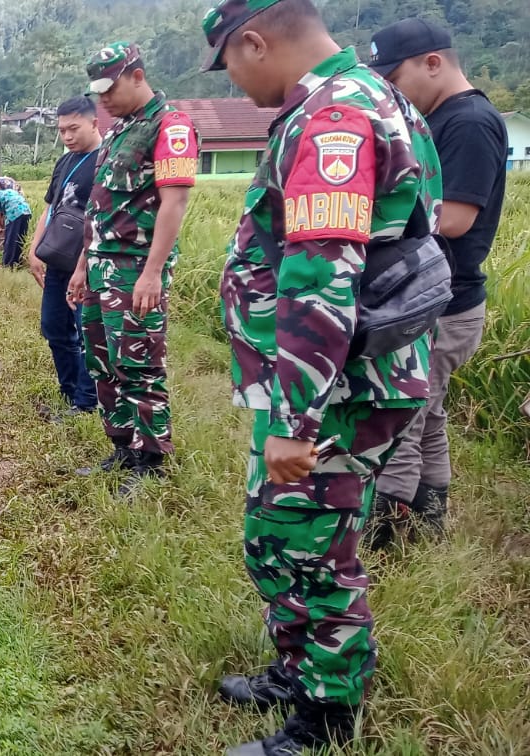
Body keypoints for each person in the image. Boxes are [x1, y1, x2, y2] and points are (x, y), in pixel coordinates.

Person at [202, 1, 442, 753]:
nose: (234, 85)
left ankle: (327, 716)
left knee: (311, 546)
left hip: (334, 388)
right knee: (276, 536)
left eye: (230, 66)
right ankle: (298, 669)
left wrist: (293, 420)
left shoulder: (336, 115)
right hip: (333, 379)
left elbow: (320, 280)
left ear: (253, 41)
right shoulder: (371, 97)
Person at [366, 18, 508, 547]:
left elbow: (455, 218)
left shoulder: (468, 121)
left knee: (400, 415)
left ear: (433, 63)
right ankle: (428, 526)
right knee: (428, 416)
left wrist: (375, 220)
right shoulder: (441, 118)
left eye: (394, 78)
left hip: (442, 304)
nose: (391, 92)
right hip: (441, 299)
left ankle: (386, 540)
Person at [67, 42, 199, 490]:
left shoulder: (171, 126)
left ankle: (152, 462)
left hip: (135, 268)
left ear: (138, 76)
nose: (102, 99)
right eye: (97, 91)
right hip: (101, 266)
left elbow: (174, 203)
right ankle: (123, 447)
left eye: (111, 87)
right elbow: (98, 210)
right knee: (102, 362)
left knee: (139, 364)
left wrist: (153, 273)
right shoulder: (121, 132)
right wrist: (83, 265)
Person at [28, 96, 102, 418]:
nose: (67, 136)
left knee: (85, 331)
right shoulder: (65, 162)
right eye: (62, 130)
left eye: (74, 128)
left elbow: (100, 218)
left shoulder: (104, 161)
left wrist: (83, 267)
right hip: (57, 260)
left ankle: (87, 402)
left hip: (86, 264)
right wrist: (34, 248)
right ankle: (69, 390)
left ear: (94, 123)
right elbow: (50, 207)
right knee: (54, 327)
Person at [0, 177, 32, 268]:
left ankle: (8, 265)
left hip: (14, 214)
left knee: (10, 240)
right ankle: (18, 262)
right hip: (26, 211)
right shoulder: (9, 190)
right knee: (19, 239)